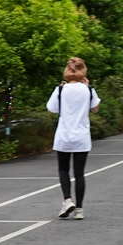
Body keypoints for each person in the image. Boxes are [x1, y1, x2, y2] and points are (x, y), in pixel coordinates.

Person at [47, 57, 101, 219]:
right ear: (83, 70)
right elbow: (95, 109)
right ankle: (79, 209)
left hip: (64, 135)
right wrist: (88, 87)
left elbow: (51, 109)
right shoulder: (88, 90)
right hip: (82, 137)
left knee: (63, 169)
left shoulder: (60, 90)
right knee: (79, 173)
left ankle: (67, 200)